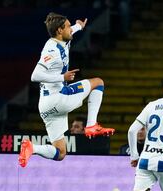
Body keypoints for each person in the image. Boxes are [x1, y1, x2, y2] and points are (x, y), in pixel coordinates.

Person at [19, 12, 115, 168]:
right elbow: (35, 75)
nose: (71, 29)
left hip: (46, 107)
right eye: (69, 27)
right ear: (59, 30)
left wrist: (79, 26)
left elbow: (71, 31)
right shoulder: (52, 50)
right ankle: (91, 125)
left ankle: (32, 147)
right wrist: (61, 77)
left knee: (61, 152)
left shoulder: (62, 38)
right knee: (98, 83)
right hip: (58, 97)